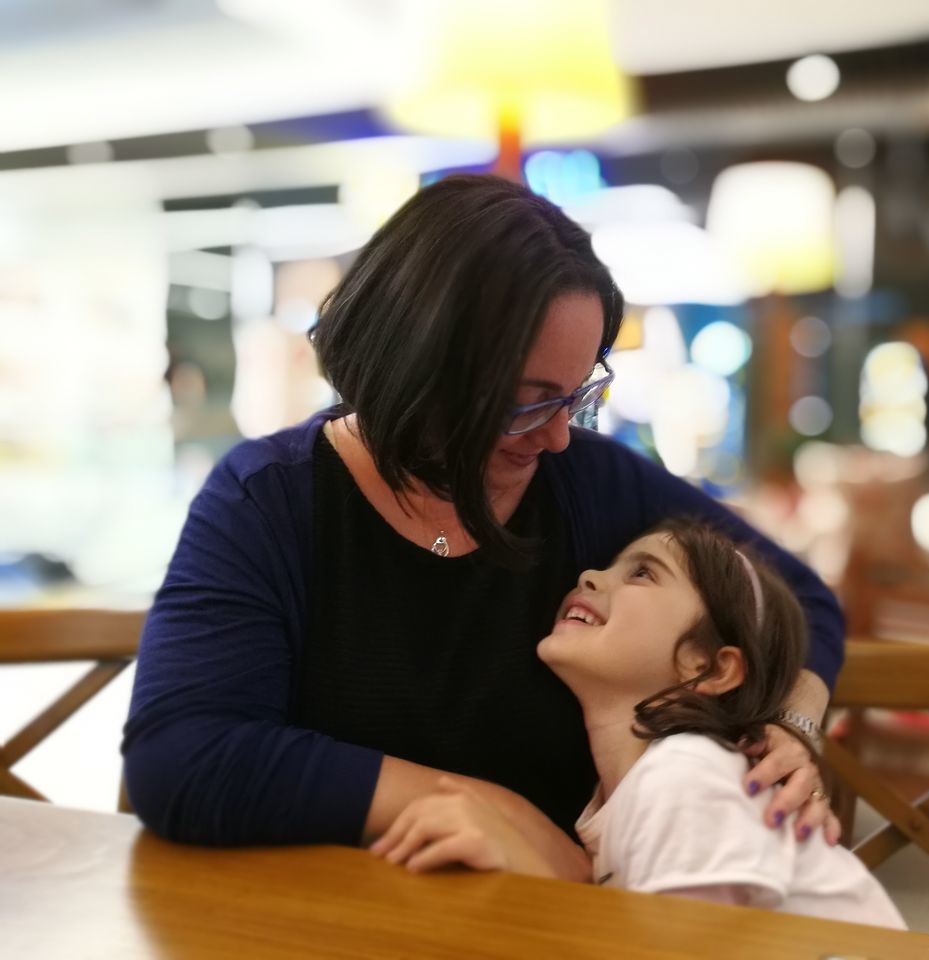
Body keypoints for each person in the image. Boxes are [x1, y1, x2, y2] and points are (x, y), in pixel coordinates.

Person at [122, 175, 846, 878]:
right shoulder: (271, 501)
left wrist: (793, 724)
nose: (558, 436)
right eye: (524, 402)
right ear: (409, 362)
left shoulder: (588, 480)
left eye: (576, 394)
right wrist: (489, 808)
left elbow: (799, 599)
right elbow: (183, 756)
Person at [370, 518, 904, 929]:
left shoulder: (685, 780)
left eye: (642, 573)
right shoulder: (631, 791)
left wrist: (525, 868)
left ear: (708, 667)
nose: (590, 575)